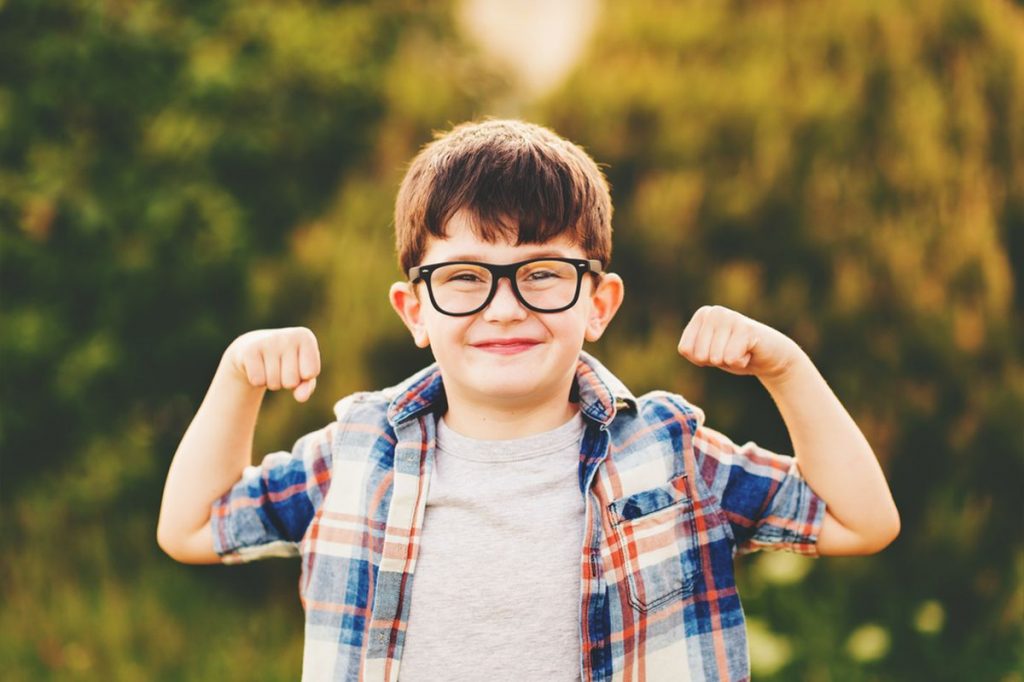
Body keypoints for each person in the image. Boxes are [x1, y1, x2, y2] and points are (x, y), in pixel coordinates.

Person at [157, 119, 900, 681]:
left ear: (599, 302)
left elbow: (860, 520)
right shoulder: (356, 451)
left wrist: (788, 369)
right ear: (414, 310)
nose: (505, 307)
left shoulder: (668, 452)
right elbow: (193, 528)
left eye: (542, 273)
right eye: (464, 277)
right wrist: (236, 380)